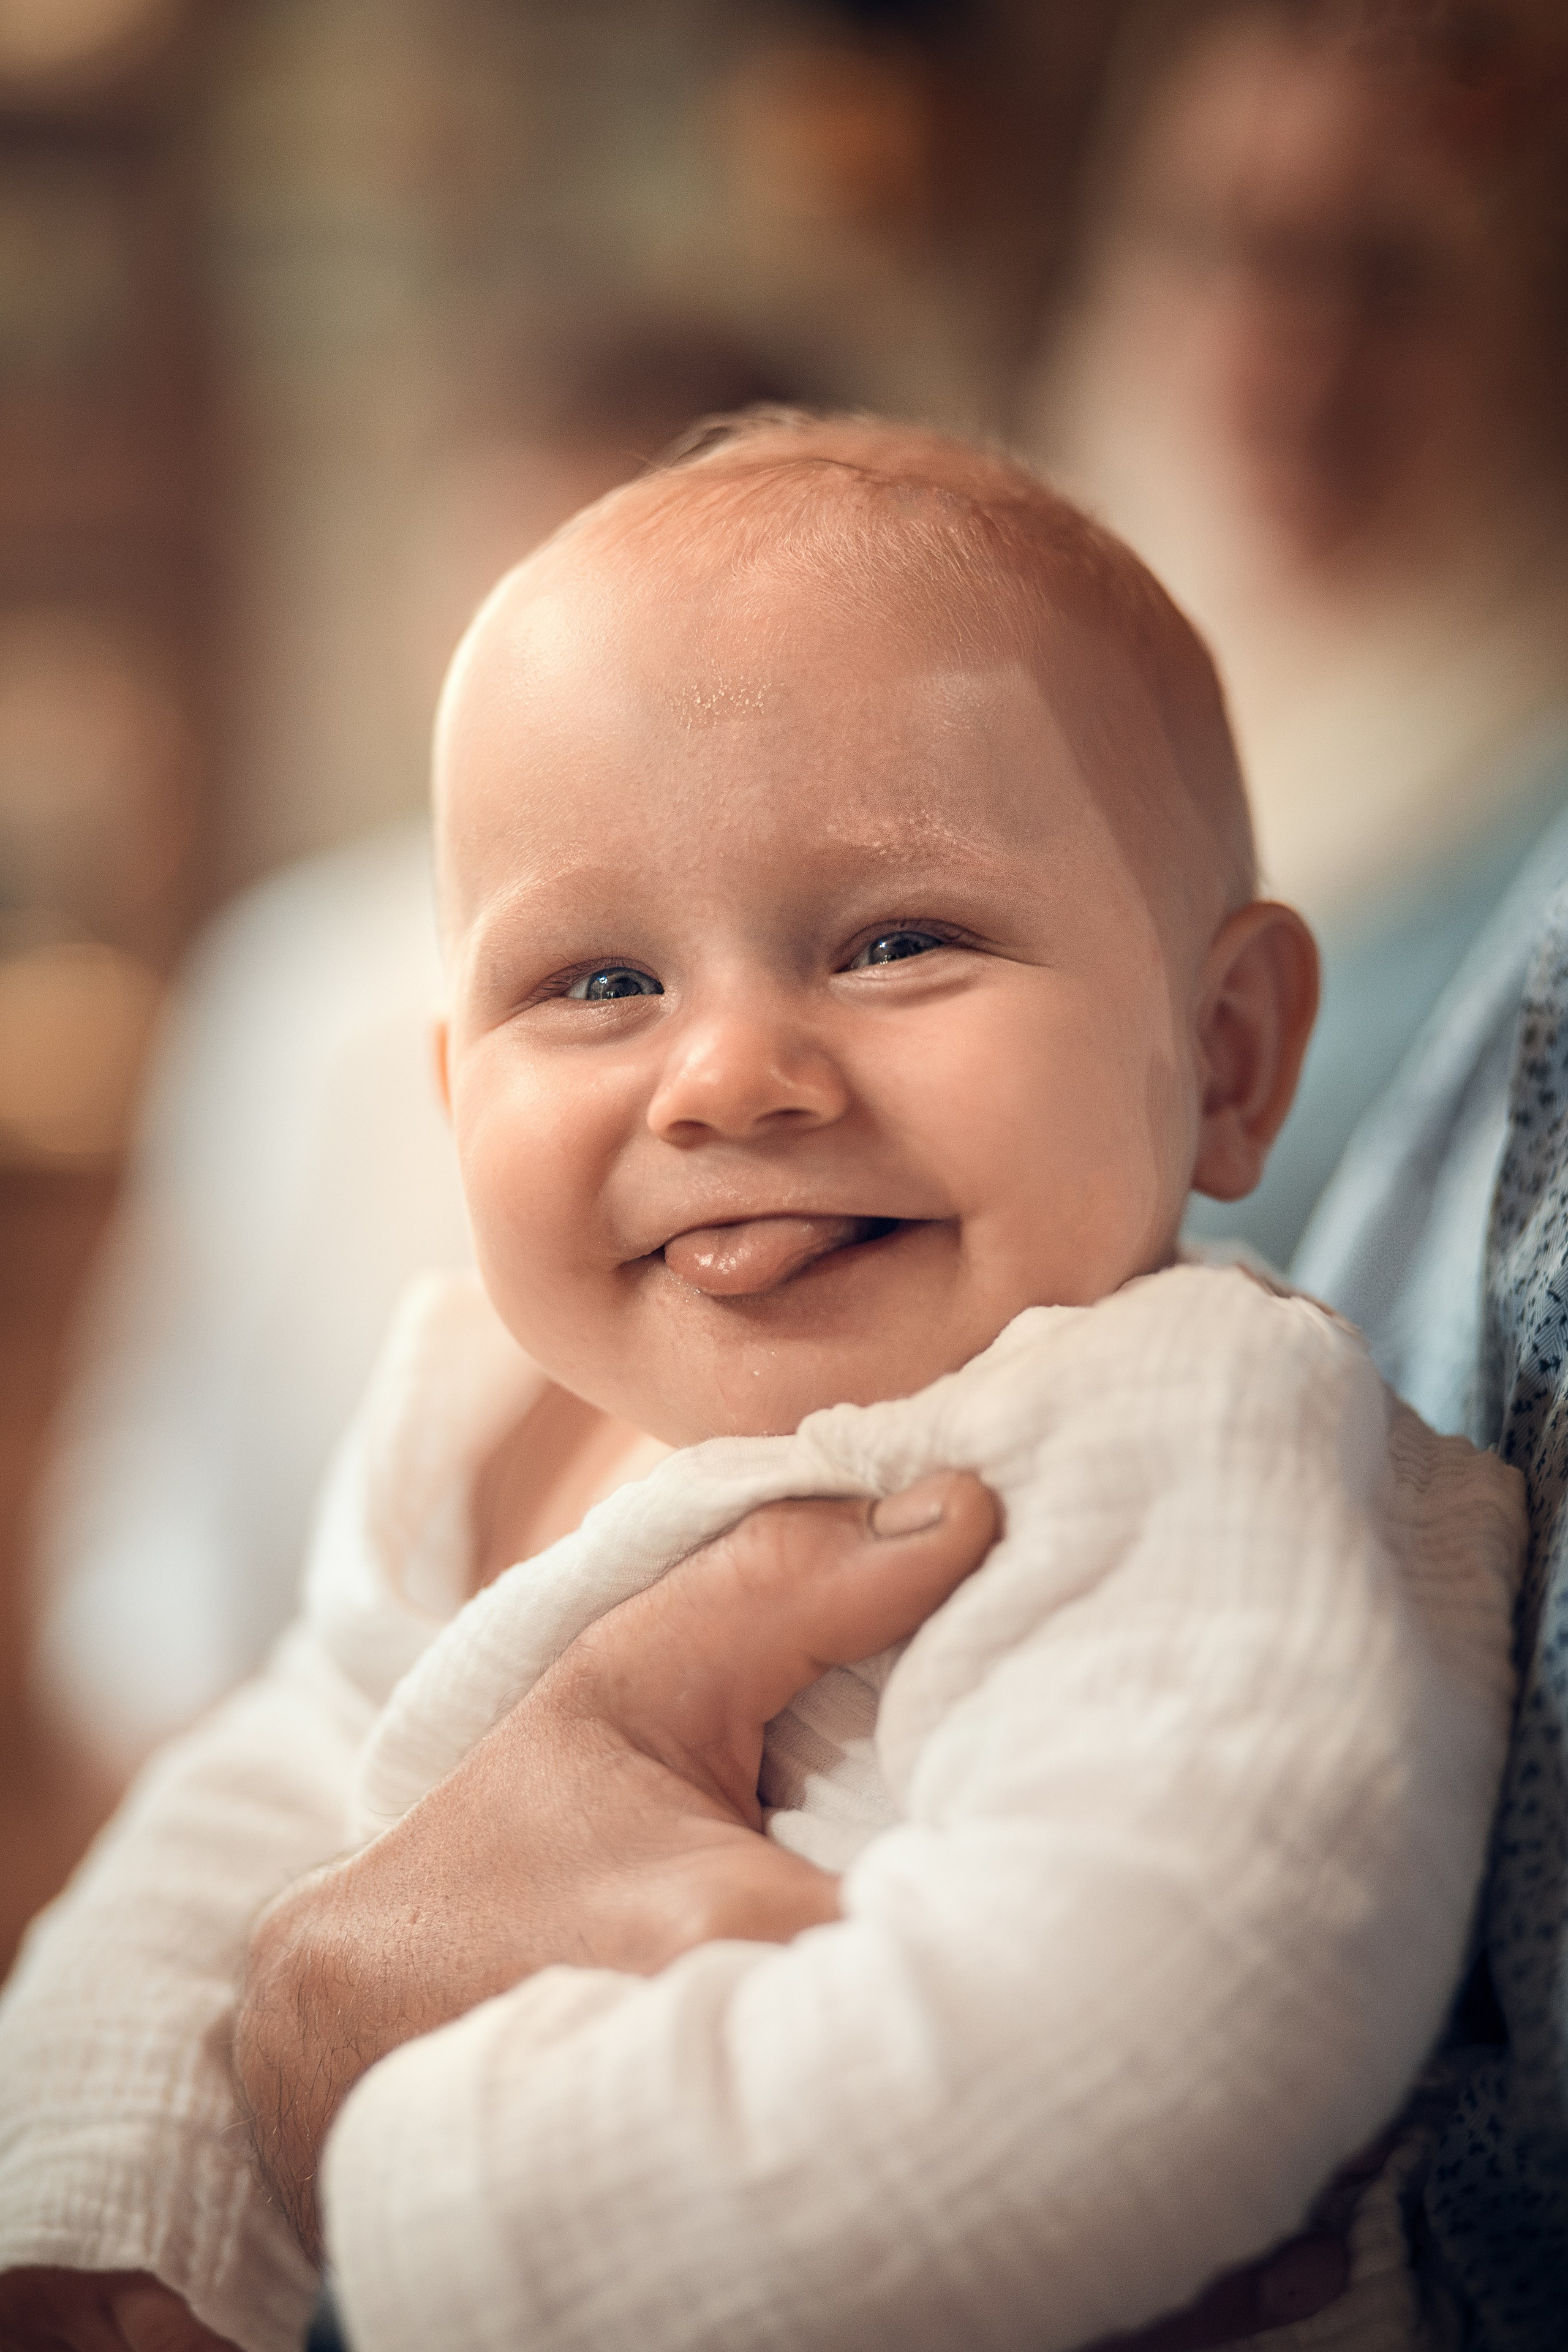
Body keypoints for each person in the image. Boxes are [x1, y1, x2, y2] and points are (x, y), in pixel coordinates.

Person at [0, 418, 1525, 2352]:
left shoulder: (1185, 1434)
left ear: (1225, 1053)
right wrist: (108, 2206)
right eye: (600, 984)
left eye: (898, 942)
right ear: (457, 1096)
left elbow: (1175, 2010)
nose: (726, 1076)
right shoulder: (480, 1427)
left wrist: (412, 2200)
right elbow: (256, 1816)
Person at [1028, 0, 1568, 1268]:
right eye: (1221, 240)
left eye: (1388, 276)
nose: (1286, 343)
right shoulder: (965, 648)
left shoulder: (1539, 814)